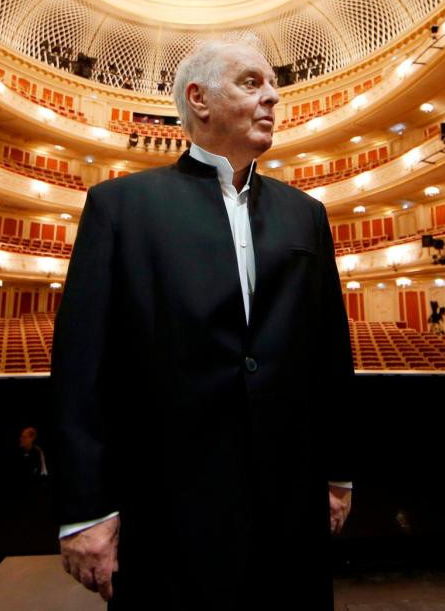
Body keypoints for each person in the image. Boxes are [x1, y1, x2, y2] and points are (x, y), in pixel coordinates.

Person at [52, 41, 354, 609]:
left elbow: (329, 358)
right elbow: (81, 370)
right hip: (166, 511)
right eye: (250, 82)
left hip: (290, 508)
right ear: (199, 99)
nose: (272, 96)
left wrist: (338, 474)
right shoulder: (120, 207)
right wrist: (85, 510)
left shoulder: (305, 214)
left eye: (272, 84)